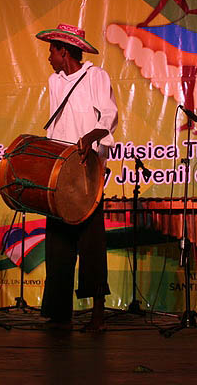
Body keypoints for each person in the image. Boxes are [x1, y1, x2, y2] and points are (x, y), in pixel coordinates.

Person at [35, 23, 118, 331]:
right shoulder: (54, 81)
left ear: (64, 51)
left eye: (52, 51)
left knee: (91, 242)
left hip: (87, 170)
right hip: (60, 169)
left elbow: (108, 116)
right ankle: (59, 312)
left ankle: (98, 314)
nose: (49, 57)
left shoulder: (96, 76)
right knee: (58, 241)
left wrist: (92, 135)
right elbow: (57, 126)